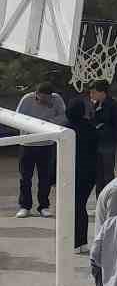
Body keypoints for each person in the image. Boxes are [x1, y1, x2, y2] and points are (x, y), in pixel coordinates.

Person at [14, 82, 66, 218]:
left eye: (47, 99)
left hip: (47, 144)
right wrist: (35, 125)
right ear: (36, 94)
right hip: (27, 144)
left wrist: (46, 122)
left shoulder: (56, 99)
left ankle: (44, 206)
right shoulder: (27, 99)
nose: (44, 102)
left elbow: (63, 117)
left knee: (45, 177)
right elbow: (17, 118)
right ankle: (24, 206)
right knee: (25, 177)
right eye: (41, 98)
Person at [65, 98, 98, 250]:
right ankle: (81, 241)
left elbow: (56, 154)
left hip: (70, 173)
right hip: (89, 173)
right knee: (80, 206)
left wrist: (52, 178)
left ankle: (75, 241)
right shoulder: (91, 128)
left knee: (73, 207)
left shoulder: (65, 130)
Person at [87, 80, 117, 195]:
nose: (91, 95)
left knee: (107, 173)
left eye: (93, 92)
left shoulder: (114, 104)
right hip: (96, 142)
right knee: (98, 174)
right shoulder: (95, 104)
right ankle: (100, 199)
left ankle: (110, 197)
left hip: (108, 142)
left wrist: (101, 128)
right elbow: (93, 121)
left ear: (102, 92)